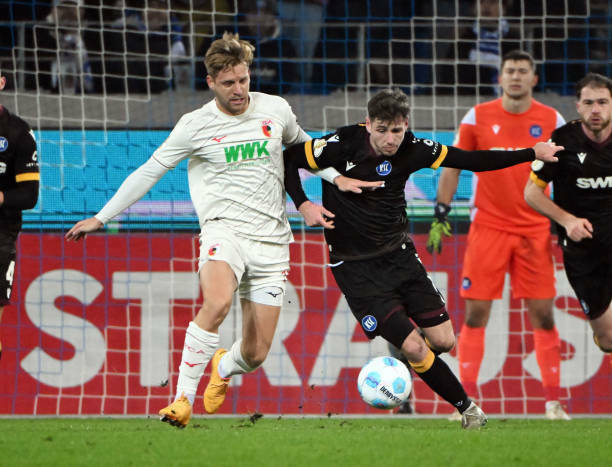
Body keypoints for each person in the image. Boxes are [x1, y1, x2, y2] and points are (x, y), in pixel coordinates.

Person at [65, 32, 376, 428]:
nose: (239, 90)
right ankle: (181, 400)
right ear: (210, 82)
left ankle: (224, 366)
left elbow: (306, 150)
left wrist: (337, 178)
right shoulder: (194, 126)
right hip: (223, 232)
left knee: (256, 353)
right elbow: (149, 172)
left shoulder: (275, 109)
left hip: (271, 242)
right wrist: (102, 217)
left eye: (243, 80)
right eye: (229, 83)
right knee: (216, 303)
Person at [283, 88, 562, 429]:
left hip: (400, 256)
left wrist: (531, 153)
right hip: (355, 268)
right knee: (416, 347)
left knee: (443, 341)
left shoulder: (415, 148)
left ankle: (401, 359)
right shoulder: (342, 143)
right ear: (368, 123)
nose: (390, 139)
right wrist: (303, 204)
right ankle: (468, 410)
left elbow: (471, 160)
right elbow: (290, 159)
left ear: (406, 125)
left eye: (397, 130)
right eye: (382, 130)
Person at [429, 50, 570, 421]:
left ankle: (553, 404)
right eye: (510, 70)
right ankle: (465, 403)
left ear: (534, 78)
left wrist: (565, 218)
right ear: (500, 77)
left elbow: (566, 170)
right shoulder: (477, 117)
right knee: (476, 314)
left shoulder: (552, 119)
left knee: (543, 315)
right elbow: (452, 165)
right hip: (488, 227)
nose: (516, 76)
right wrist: (441, 211)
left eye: (523, 71)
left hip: (534, 229)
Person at [525, 72, 612, 362]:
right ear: (577, 106)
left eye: (602, 102)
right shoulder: (562, 141)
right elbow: (531, 193)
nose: (595, 110)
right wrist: (567, 221)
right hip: (583, 253)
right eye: (588, 103)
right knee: (608, 340)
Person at [0, 69, 40, 360]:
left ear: (1, 82)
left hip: (0, 234)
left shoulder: (18, 133)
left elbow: (29, 196)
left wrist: (0, 197)